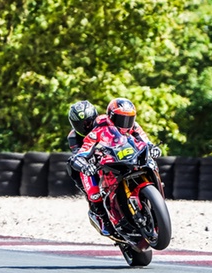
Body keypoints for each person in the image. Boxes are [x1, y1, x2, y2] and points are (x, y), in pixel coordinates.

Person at [69, 97, 162, 236]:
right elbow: (81, 153)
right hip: (95, 161)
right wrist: (85, 164)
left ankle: (155, 194)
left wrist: (152, 147)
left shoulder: (110, 123)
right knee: (91, 188)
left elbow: (143, 138)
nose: (87, 126)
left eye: (89, 121)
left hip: (121, 153)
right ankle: (100, 214)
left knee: (150, 161)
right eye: (82, 124)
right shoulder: (77, 136)